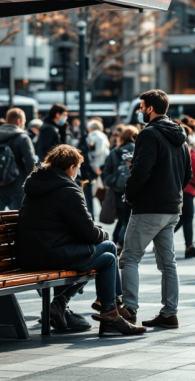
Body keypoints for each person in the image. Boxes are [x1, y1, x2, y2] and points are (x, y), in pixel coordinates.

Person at [16, 144, 146, 336]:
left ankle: (90, 305)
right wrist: (103, 234)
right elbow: (90, 233)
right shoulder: (68, 190)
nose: (77, 172)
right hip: (52, 254)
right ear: (71, 168)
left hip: (30, 254)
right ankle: (110, 308)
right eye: (77, 168)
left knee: (105, 254)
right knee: (109, 253)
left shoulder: (34, 185)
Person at [121, 90, 191, 329]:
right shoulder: (179, 135)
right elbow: (187, 174)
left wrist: (129, 194)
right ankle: (169, 313)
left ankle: (129, 309)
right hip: (172, 207)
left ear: (150, 108)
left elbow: (142, 171)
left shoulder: (149, 134)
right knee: (168, 263)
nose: (141, 110)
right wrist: (172, 192)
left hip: (149, 207)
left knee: (129, 258)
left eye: (142, 107)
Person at [102, 125, 139, 250]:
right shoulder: (139, 150)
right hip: (135, 190)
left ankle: (117, 242)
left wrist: (114, 182)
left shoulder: (115, 152)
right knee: (129, 219)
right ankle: (120, 243)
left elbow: (105, 172)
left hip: (118, 191)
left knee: (123, 218)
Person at [0, 108, 36, 211]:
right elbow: (30, 163)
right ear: (19, 121)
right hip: (17, 185)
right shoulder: (22, 138)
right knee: (18, 219)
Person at [174, 124, 195, 258]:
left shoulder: (170, 147)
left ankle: (188, 246)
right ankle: (189, 246)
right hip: (187, 189)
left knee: (179, 218)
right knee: (187, 218)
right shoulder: (188, 149)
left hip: (173, 188)